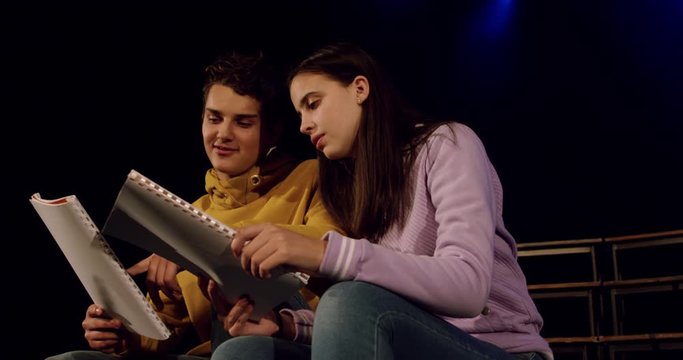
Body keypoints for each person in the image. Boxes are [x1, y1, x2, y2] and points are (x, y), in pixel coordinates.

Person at [209, 43, 553, 360]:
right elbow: (367, 317)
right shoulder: (355, 187)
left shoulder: (447, 144)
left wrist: (324, 252)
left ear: (360, 89)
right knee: (242, 352)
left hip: (495, 349)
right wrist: (287, 325)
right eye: (299, 113)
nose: (304, 125)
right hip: (405, 344)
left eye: (313, 104)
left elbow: (468, 287)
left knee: (346, 300)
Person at [46, 51, 341, 360]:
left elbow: (326, 241)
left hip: (293, 338)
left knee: (237, 339)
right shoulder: (194, 211)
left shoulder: (311, 176)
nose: (222, 135)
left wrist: (196, 247)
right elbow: (164, 326)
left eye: (242, 123)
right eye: (214, 118)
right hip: (216, 349)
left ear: (273, 132)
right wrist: (124, 334)